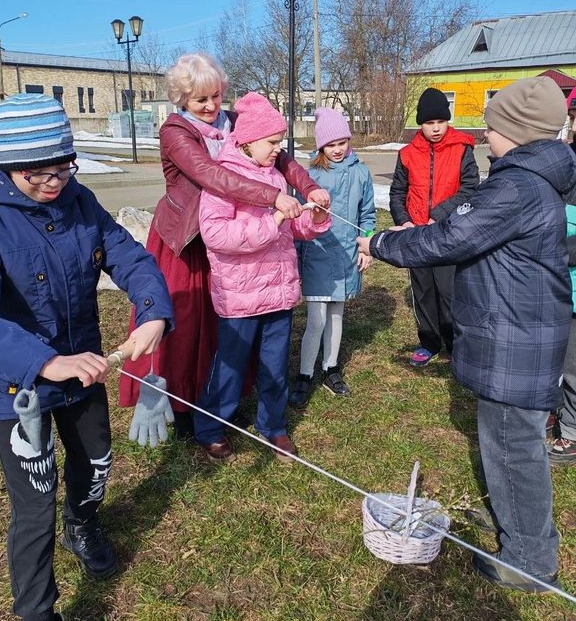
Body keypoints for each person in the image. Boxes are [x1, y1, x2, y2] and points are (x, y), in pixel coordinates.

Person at [0, 94, 173, 621]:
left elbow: (130, 257)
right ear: (9, 166)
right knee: (34, 506)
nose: (55, 183)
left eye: (63, 168)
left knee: (96, 461)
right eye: (39, 174)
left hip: (85, 372)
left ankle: (82, 523)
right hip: (21, 393)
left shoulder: (79, 200)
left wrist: (153, 309)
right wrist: (45, 362)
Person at [358, 76, 572, 592]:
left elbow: (451, 238)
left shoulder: (516, 186)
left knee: (513, 447)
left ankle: (529, 560)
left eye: (490, 127)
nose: (483, 136)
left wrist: (381, 244)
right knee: (508, 442)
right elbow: (460, 228)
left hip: (515, 338)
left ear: (514, 132)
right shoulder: (530, 179)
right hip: (519, 329)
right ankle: (517, 524)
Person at [119, 54, 329, 436]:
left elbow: (281, 159)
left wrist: (309, 186)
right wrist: (272, 198)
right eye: (201, 99)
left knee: (227, 325)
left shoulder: (233, 121)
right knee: (187, 323)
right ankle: (182, 400)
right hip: (187, 240)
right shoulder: (175, 131)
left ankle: (223, 396)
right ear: (182, 98)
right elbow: (211, 175)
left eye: (216, 96)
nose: (211, 106)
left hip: (240, 232)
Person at [193, 92, 331, 462]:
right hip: (240, 295)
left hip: (279, 291)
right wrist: (274, 220)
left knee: (275, 365)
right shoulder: (223, 178)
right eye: (272, 142)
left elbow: (291, 228)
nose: (278, 150)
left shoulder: (276, 176)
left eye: (280, 142)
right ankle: (210, 426)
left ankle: (274, 426)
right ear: (247, 141)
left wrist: (314, 219)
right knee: (231, 366)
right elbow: (216, 235)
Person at [290, 107, 375, 408]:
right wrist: (297, 260)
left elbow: (367, 214)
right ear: (320, 146)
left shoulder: (361, 173)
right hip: (317, 255)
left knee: (337, 315)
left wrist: (365, 246)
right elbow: (298, 222)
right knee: (316, 319)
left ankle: (331, 368)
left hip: (346, 256)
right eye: (331, 144)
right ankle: (304, 374)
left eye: (342, 142)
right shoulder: (310, 177)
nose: (337, 149)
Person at [389, 88, 479, 367]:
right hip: (417, 233)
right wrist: (404, 221)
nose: (436, 128)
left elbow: (470, 189)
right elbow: (397, 192)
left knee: (449, 290)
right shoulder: (407, 154)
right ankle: (429, 341)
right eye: (430, 123)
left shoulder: (462, 149)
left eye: (441, 121)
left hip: (449, 232)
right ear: (421, 124)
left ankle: (455, 344)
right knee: (423, 289)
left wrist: (439, 215)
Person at [548, 88, 576, 465]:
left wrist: (555, 250)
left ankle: (571, 430)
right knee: (551, 357)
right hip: (554, 283)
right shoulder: (564, 161)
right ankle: (552, 410)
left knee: (573, 364)